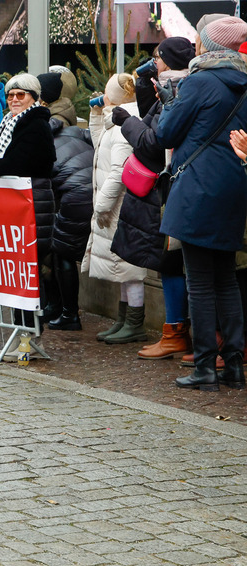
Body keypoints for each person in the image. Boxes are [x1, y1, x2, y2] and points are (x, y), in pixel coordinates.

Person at [158, 17, 247, 390]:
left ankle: (205, 367)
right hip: (234, 187)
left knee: (199, 281)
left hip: (196, 189)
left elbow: (165, 134)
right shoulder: (244, 84)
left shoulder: (199, 82)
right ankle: (235, 366)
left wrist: (169, 102)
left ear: (208, 45)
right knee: (226, 279)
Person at [111, 38, 194, 358]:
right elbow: (151, 115)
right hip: (172, 186)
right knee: (171, 263)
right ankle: (177, 333)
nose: (153, 62)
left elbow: (152, 139)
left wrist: (124, 121)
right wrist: (145, 79)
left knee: (173, 263)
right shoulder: (171, 88)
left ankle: (177, 332)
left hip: (172, 188)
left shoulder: (179, 91)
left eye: (157, 58)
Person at [0, 73, 56, 359]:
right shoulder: (11, 121)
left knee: (28, 273)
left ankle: (28, 339)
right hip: (17, 207)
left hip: (32, 206)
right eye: (11, 95)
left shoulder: (36, 124)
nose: (14, 100)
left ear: (33, 96)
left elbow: (19, 162)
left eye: (21, 95)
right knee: (17, 273)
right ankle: (21, 336)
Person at [83, 73, 148, 345]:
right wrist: (96, 112)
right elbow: (99, 140)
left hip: (120, 207)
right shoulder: (118, 121)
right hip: (114, 207)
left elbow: (119, 171)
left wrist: (101, 206)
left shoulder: (125, 126)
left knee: (129, 269)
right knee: (120, 267)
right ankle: (123, 321)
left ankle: (135, 323)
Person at [40, 71, 94, 332]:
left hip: (73, 194)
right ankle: (61, 309)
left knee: (62, 254)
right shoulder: (70, 127)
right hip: (81, 189)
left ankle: (70, 314)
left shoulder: (50, 125)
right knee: (60, 253)